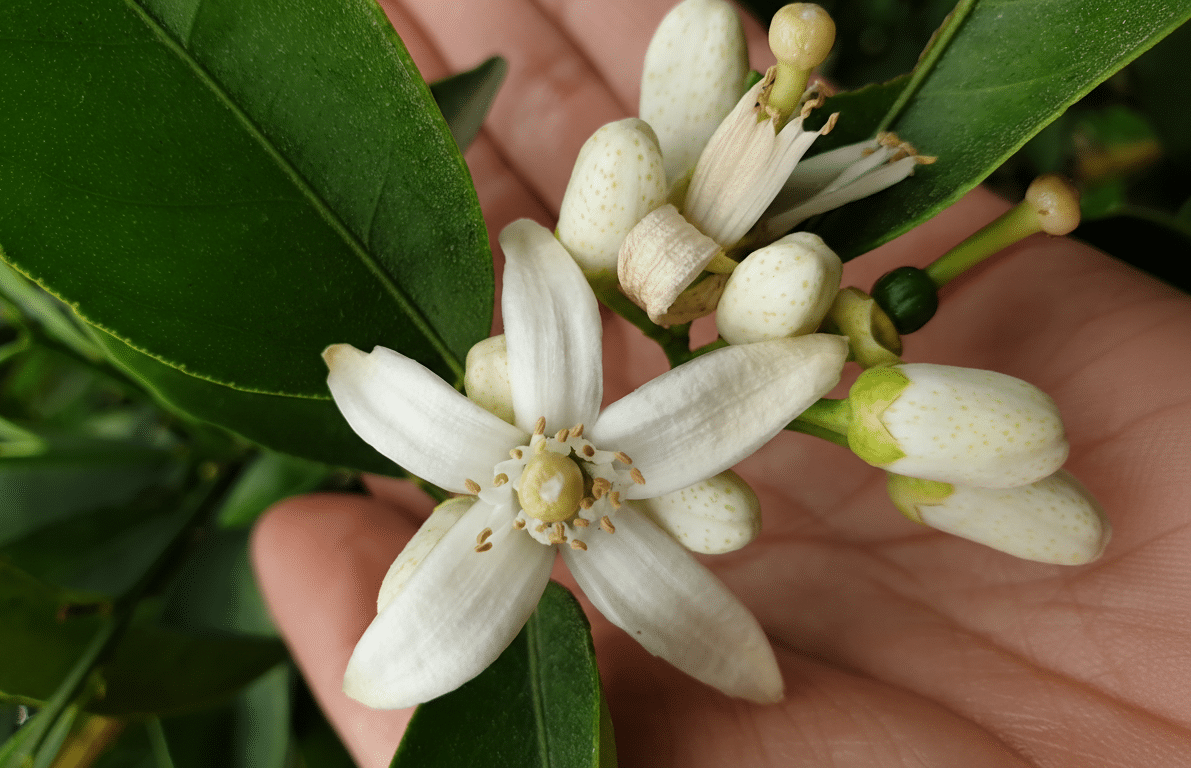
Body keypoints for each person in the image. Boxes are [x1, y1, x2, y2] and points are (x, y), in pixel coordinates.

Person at [251, 1, 1191, 764]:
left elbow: (718, 391)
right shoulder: (560, 464)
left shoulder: (601, 436)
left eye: (552, 479)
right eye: (560, 486)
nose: (553, 484)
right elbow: (447, 360)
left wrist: (798, 348)